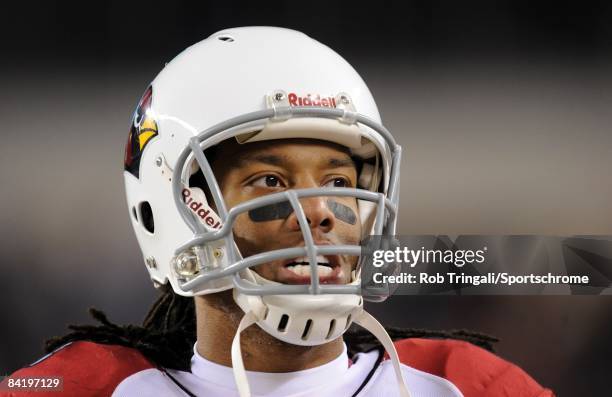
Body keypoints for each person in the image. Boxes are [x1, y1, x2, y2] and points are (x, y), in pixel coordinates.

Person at [2, 27, 554, 397]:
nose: (321, 212)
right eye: (270, 180)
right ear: (176, 205)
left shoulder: (461, 384)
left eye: (339, 181)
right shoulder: (77, 388)